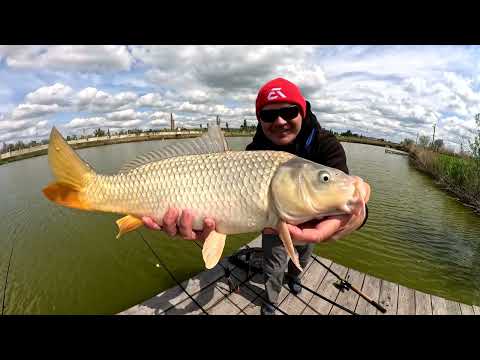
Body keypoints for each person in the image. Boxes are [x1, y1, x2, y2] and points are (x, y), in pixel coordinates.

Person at [141, 77, 370, 315]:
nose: (280, 121)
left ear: (302, 112)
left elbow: (348, 191)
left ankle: (295, 278)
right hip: (273, 225)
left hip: (312, 223)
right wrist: (204, 231)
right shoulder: (253, 152)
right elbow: (218, 203)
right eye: (269, 116)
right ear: (259, 119)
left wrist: (359, 213)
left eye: (289, 111)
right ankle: (270, 301)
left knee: (303, 255)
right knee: (273, 262)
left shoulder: (325, 144)